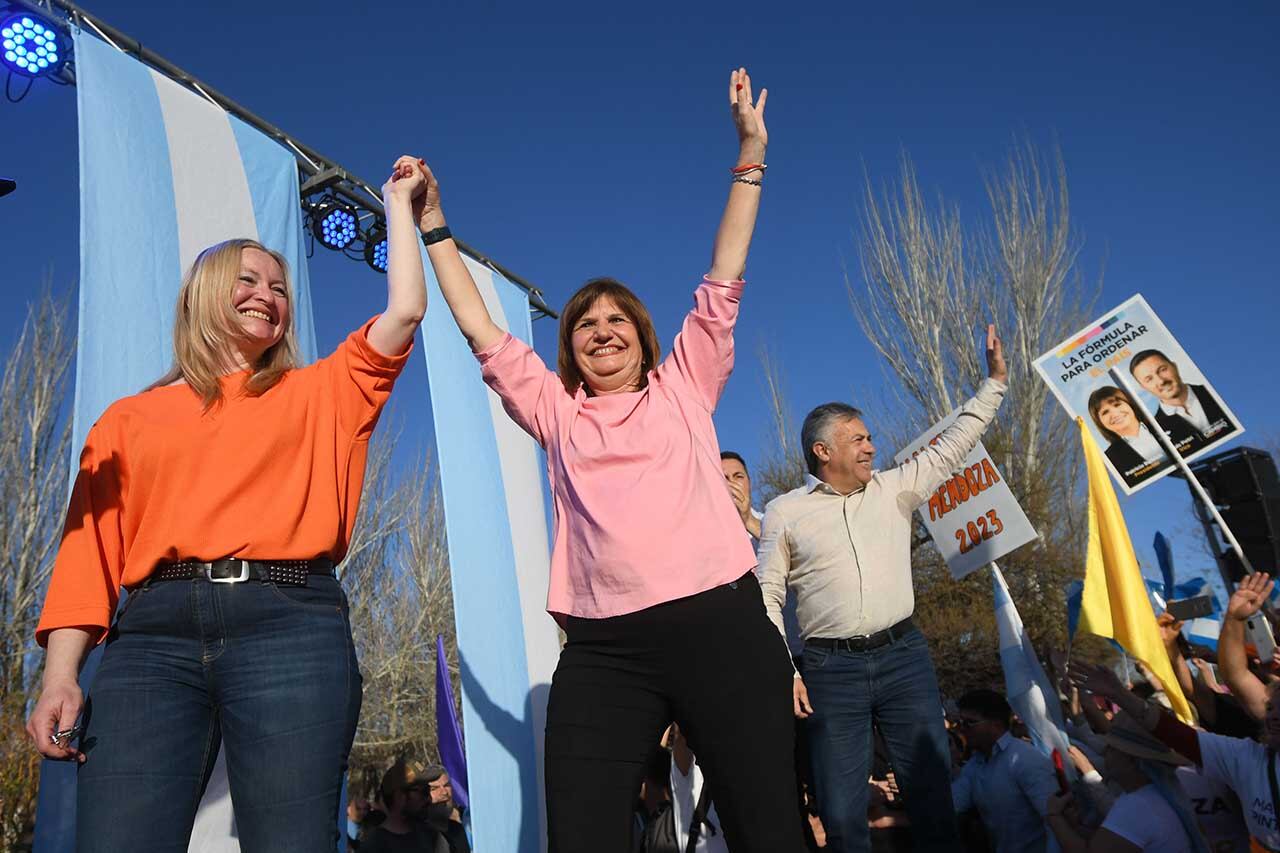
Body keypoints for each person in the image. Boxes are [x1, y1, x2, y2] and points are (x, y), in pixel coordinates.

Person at [419, 69, 805, 852]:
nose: (600, 328)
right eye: (583, 323)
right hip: (605, 653)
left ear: (642, 332)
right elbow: (482, 332)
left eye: (615, 317)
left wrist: (750, 153)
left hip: (722, 628)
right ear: (568, 349)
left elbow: (724, 273)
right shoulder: (555, 413)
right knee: (583, 834)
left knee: (771, 828)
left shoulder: (686, 384)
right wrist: (435, 227)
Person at [24, 156, 429, 851]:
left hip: (291, 628)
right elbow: (87, 556)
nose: (267, 294)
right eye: (247, 279)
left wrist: (399, 205)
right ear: (202, 293)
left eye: (278, 286)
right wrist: (61, 673)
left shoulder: (325, 393)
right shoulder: (127, 420)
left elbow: (405, 311)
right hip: (149, 638)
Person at [757, 325, 1008, 853]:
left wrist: (995, 385)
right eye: (859, 438)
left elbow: (956, 444)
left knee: (933, 794)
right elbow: (767, 595)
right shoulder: (786, 512)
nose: (873, 446)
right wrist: (787, 669)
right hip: (830, 670)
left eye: (870, 437)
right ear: (823, 451)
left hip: (904, 659)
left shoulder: (897, 488)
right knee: (843, 811)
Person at [1070, 572, 1280, 850]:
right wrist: (1235, 618)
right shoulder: (1248, 760)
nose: (1272, 716)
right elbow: (1179, 733)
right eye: (1271, 707)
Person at [1045, 714, 1206, 852]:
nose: (1106, 752)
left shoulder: (1136, 806)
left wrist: (1054, 816)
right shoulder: (1152, 795)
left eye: (1112, 748)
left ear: (1131, 760)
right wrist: (1076, 828)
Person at [950, 689, 1059, 853]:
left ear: (996, 724)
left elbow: (1055, 822)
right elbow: (952, 804)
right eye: (960, 722)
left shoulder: (1025, 759)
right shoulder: (974, 765)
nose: (962, 728)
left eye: (969, 722)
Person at [1127, 349, 1236, 453]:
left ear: (1174, 366)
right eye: (1149, 379)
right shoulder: (1156, 432)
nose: (1160, 381)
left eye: (1163, 370)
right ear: (1143, 387)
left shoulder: (1217, 393)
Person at [362, 760, 449, 853]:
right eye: (423, 792)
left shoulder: (433, 838)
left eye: (428, 791)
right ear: (399, 796)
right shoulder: (374, 847)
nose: (429, 799)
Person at [1086, 385, 1165, 487]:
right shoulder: (1110, 461)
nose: (1114, 414)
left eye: (1117, 404)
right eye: (1105, 412)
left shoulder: (1172, 422)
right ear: (1100, 422)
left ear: (1130, 404)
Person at [421, 765, 470, 853]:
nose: (444, 792)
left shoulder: (458, 829)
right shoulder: (420, 835)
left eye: (446, 785)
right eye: (434, 788)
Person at [721, 451, 763, 541]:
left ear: (749, 482)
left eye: (738, 477)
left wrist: (748, 519)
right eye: (724, 478)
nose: (732, 483)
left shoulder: (770, 522)